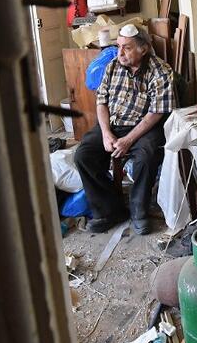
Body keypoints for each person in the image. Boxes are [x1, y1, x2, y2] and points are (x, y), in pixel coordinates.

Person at [74, 24, 175, 235]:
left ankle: (139, 211)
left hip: (145, 127)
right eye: (118, 46)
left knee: (146, 157)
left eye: (126, 48)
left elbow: (156, 113)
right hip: (113, 124)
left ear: (143, 49)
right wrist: (106, 133)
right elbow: (101, 102)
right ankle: (110, 210)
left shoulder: (161, 71)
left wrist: (128, 139)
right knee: (83, 155)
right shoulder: (113, 66)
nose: (119, 53)